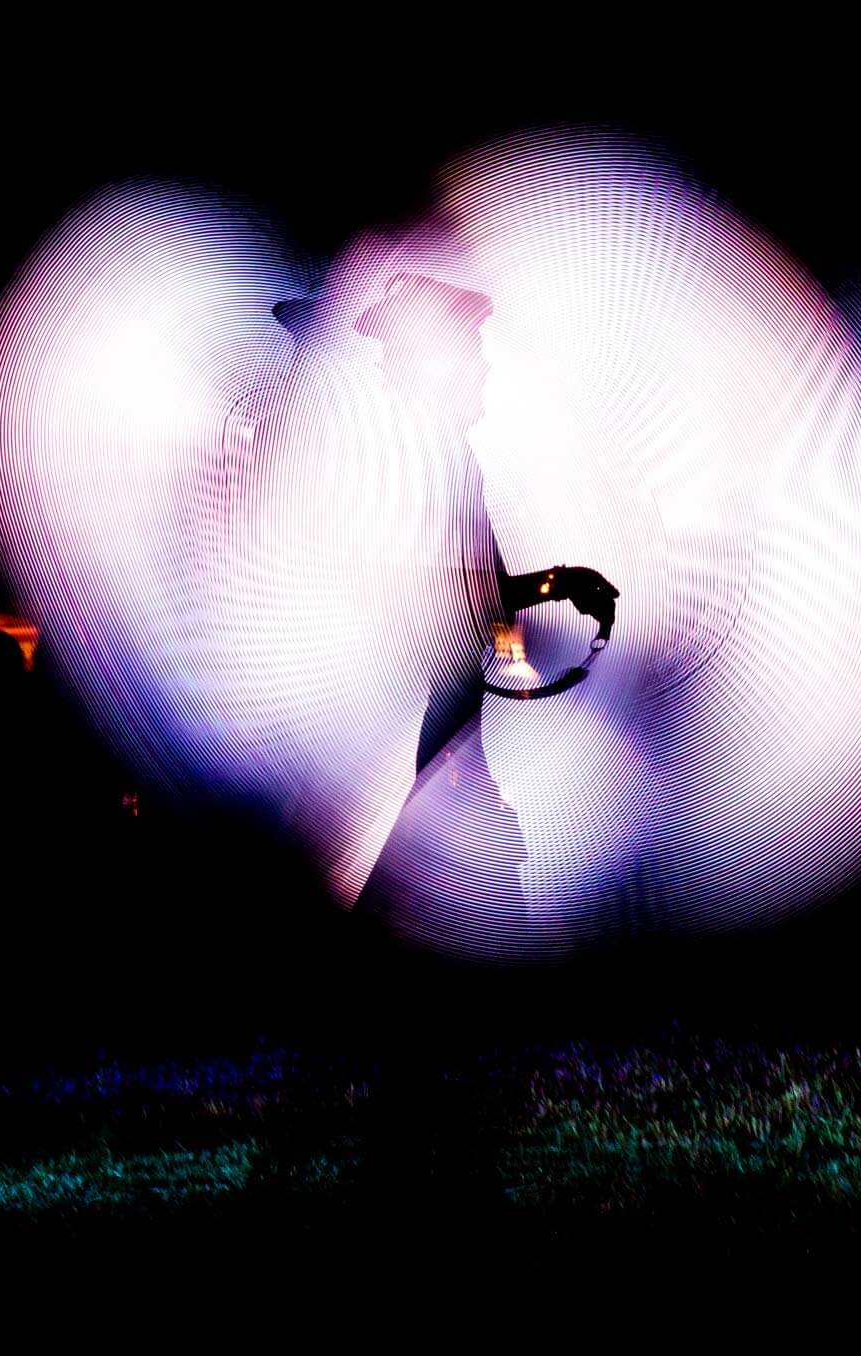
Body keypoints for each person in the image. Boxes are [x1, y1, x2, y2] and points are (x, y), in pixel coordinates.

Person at [264, 273, 618, 949]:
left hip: (436, 723)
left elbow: (478, 586)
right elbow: (443, 590)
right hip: (413, 723)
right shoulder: (420, 459)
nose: (485, 367)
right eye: (472, 350)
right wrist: (555, 590)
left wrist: (547, 601)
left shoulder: (440, 456)